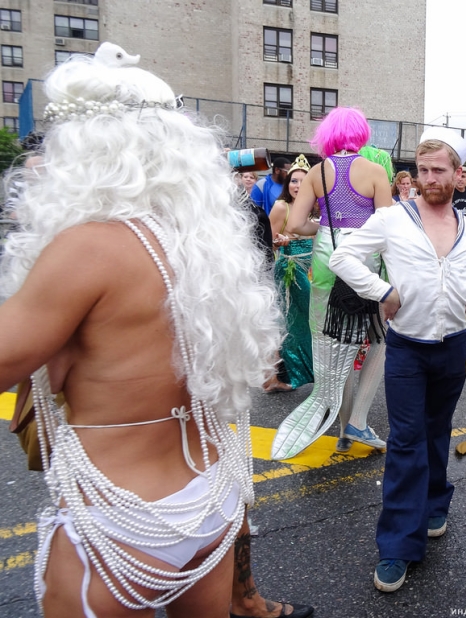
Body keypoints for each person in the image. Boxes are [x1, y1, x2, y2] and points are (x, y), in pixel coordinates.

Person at [0, 47, 283, 617]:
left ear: (83, 152)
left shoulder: (86, 250)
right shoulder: (205, 245)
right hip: (211, 504)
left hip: (119, 521)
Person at [328, 126, 466, 593]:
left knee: (438, 431)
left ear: (459, 175)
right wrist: (383, 291)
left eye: (439, 170)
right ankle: (397, 545)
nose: (428, 177)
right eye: (422, 169)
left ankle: (437, 503)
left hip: (453, 346)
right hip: (406, 349)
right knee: (406, 441)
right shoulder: (394, 219)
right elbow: (343, 256)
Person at [270, 107, 393, 460]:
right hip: (365, 263)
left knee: (336, 342)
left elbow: (294, 225)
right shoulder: (374, 171)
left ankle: (341, 428)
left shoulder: (315, 173)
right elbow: (387, 227)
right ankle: (358, 420)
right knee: (378, 339)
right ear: (361, 134)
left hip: (326, 260)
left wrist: (323, 228)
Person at [264, 154, 314, 393]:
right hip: (289, 272)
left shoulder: (315, 209)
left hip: (312, 272)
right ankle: (280, 375)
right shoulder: (281, 206)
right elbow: (268, 242)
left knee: (306, 323)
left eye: (304, 182)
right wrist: (279, 242)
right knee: (289, 322)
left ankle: (296, 374)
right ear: (287, 184)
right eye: (294, 181)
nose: (298, 186)